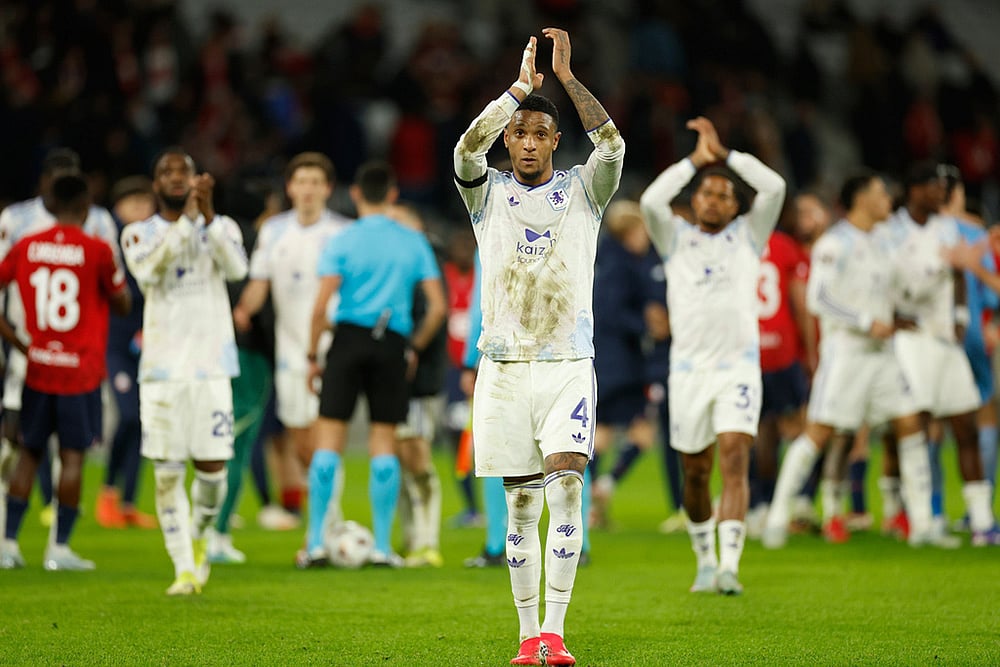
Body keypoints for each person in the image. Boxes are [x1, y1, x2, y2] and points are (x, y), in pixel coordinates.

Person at [454, 28, 625, 666]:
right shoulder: (485, 194)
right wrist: (520, 89)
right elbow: (465, 147)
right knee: (522, 502)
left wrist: (566, 79)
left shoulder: (585, 190)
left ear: (555, 141)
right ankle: (528, 639)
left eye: (538, 133)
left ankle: (555, 631)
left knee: (567, 489)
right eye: (518, 132)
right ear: (509, 139)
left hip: (566, 365)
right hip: (501, 367)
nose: (526, 142)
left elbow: (612, 142)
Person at [640, 116, 785, 595]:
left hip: (739, 368)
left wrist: (727, 157)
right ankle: (704, 559)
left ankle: (730, 567)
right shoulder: (674, 237)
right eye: (707, 192)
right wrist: (694, 162)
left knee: (734, 456)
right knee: (696, 473)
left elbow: (776, 186)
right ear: (694, 200)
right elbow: (649, 201)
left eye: (725, 194)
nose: (715, 199)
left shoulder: (749, 236)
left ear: (737, 205)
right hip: (687, 372)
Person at [761, 171, 937, 549]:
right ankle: (777, 516)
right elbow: (817, 298)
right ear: (861, 199)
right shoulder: (834, 244)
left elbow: (888, 290)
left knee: (909, 424)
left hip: (883, 355)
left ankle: (923, 525)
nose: (887, 198)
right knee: (820, 432)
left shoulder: (884, 241)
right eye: (880, 192)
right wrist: (863, 321)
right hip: (847, 354)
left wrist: (902, 314)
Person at [303, 161, 446, 569]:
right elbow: (437, 307)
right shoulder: (412, 241)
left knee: (328, 441)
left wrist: (314, 356)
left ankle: (314, 544)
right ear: (394, 194)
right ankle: (383, 548)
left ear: (354, 194)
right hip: (392, 345)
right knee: (383, 443)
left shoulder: (343, 239)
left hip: (347, 340)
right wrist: (412, 346)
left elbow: (319, 308)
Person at [121, 148, 248, 595]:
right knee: (169, 472)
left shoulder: (223, 226)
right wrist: (186, 222)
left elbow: (237, 269)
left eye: (184, 171)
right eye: (166, 172)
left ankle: (198, 536)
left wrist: (207, 216)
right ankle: (183, 568)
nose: (176, 177)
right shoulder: (138, 234)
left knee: (213, 472)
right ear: (156, 184)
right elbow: (148, 274)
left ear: (197, 179)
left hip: (212, 368)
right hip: (161, 372)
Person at [0, 174, 131, 570]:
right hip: (81, 373)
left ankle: (7, 545)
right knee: (72, 457)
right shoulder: (97, 249)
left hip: (38, 367)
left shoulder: (26, 245)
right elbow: (122, 302)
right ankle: (58, 550)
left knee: (29, 455)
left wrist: (21, 343)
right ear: (86, 205)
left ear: (50, 204)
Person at [233, 153, 351, 530]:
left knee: (324, 437)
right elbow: (258, 283)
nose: (308, 189)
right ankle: (326, 517)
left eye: (316, 182)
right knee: (301, 442)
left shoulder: (342, 232)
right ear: (290, 188)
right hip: (288, 351)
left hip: (332, 350)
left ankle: (328, 522)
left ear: (327, 189)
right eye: (301, 181)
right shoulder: (274, 231)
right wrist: (242, 311)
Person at [890, 160, 1000, 546]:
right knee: (916, 426)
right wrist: (893, 315)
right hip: (912, 339)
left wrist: (957, 317)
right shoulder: (893, 231)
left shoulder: (948, 227)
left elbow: (957, 276)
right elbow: (893, 280)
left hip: (946, 340)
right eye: (935, 187)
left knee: (965, 425)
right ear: (915, 190)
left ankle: (983, 523)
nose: (943, 194)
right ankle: (923, 521)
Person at [589, 200, 666, 528]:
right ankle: (603, 487)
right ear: (630, 231)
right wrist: (646, 327)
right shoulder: (622, 267)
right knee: (643, 433)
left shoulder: (604, 260)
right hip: (623, 362)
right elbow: (613, 311)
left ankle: (591, 503)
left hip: (603, 359)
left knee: (602, 433)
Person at [96, 176, 158, 530]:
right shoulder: (108, 247)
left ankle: (130, 502)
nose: (138, 209)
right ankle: (108, 492)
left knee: (145, 423)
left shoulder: (157, 244)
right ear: (117, 209)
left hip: (150, 343)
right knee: (129, 416)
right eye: (130, 202)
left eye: (143, 202)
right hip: (116, 343)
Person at [390, 202, 448, 568]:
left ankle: (428, 542)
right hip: (393, 375)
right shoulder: (400, 265)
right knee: (396, 457)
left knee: (416, 455)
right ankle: (411, 538)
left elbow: (436, 312)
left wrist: (412, 349)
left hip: (420, 380)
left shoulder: (427, 263)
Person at [747, 228, 811, 539]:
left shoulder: (737, 239)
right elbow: (800, 303)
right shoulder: (786, 246)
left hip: (748, 354)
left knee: (760, 434)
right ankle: (795, 502)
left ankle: (760, 504)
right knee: (797, 430)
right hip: (783, 354)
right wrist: (811, 351)